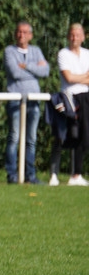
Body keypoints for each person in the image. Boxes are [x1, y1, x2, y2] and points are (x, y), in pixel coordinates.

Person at [3, 21, 49, 185]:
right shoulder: (9, 51)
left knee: (31, 139)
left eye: (25, 32)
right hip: (15, 100)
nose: (21, 35)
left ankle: (30, 175)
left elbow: (46, 71)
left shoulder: (36, 51)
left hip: (34, 100)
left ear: (30, 35)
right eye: (19, 31)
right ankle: (12, 175)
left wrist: (26, 66)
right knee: (14, 137)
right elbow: (14, 72)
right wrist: (35, 69)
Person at [48, 22, 89, 186]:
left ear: (83, 37)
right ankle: (54, 174)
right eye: (72, 35)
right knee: (64, 134)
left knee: (83, 135)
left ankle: (76, 174)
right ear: (68, 36)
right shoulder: (63, 54)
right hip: (69, 98)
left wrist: (78, 77)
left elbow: (75, 77)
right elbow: (68, 78)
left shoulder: (87, 54)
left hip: (86, 96)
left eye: (77, 35)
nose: (74, 38)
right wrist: (84, 77)